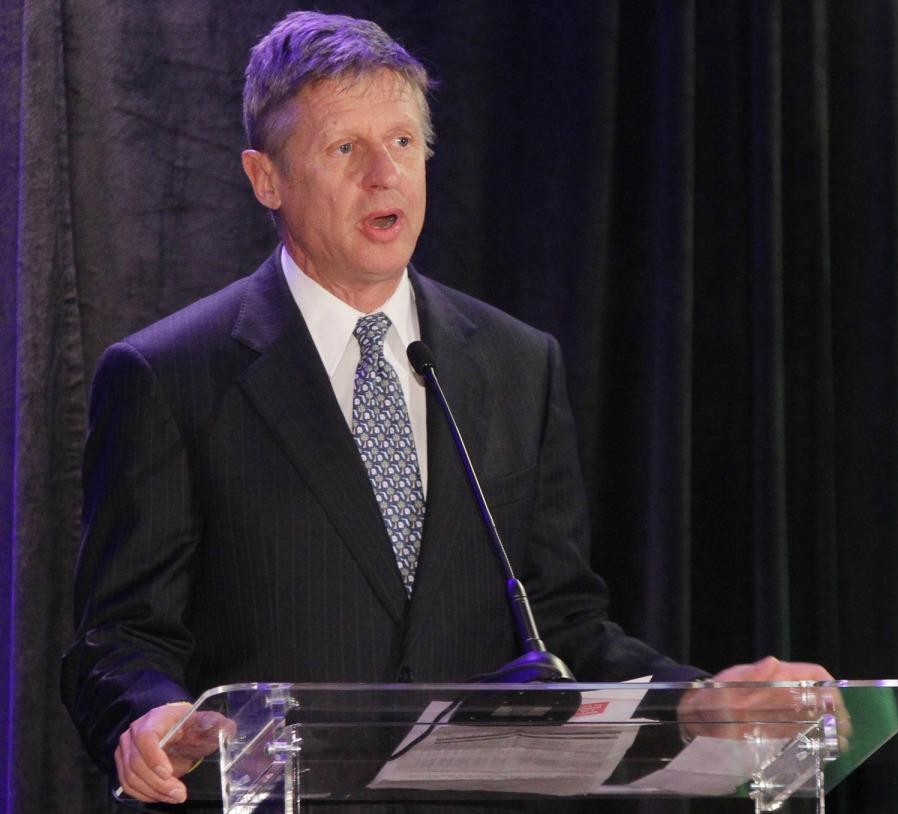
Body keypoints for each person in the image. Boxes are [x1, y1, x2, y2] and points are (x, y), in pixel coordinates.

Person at [61, 10, 837, 809]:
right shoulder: (169, 376)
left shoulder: (515, 364)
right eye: (344, 148)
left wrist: (699, 701)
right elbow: (118, 638)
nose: (383, 175)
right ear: (266, 179)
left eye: (402, 142)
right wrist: (151, 714)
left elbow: (560, 627)